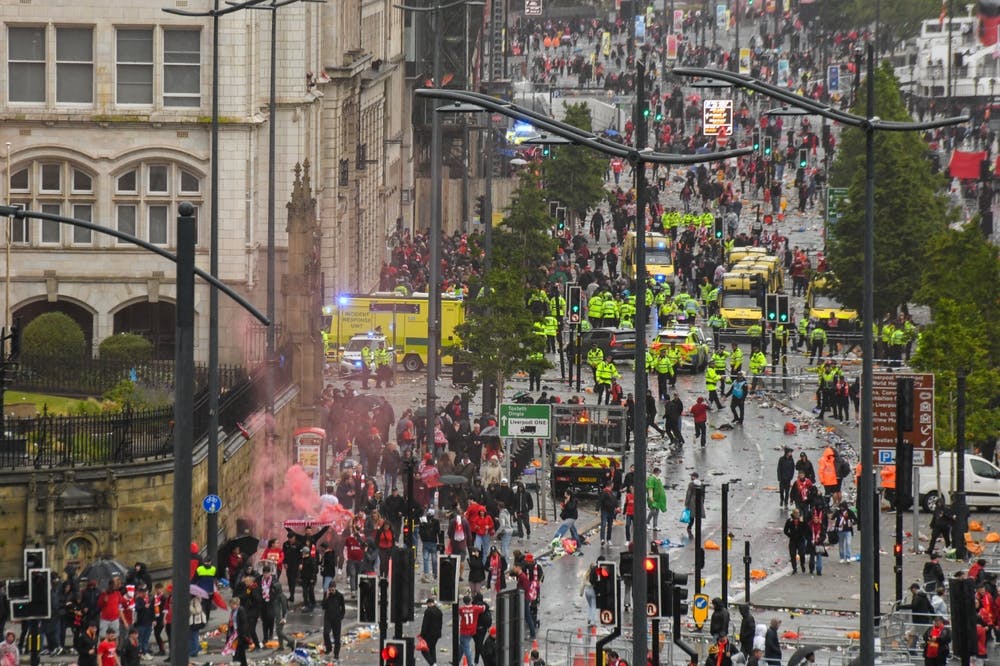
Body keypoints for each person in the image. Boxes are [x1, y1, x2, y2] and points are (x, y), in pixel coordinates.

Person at [457, 595, 485, 666]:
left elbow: (458, 611)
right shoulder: (475, 608)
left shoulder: (461, 609)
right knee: (462, 646)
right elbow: (483, 608)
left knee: (466, 648)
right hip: (472, 630)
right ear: (470, 601)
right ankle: (456, 660)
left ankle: (470, 664)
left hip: (464, 631)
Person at [321, 582, 345, 659]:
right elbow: (323, 606)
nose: (331, 591)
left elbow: (343, 608)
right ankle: (329, 648)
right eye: (330, 589)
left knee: (337, 637)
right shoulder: (327, 595)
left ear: (335, 588)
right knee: (326, 633)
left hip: (336, 619)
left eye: (332, 589)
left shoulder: (339, 596)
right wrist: (326, 597)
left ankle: (336, 653)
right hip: (328, 618)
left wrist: (341, 617)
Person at [225, 597, 251, 666]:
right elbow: (231, 622)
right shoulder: (233, 611)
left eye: (231, 605)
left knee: (240, 651)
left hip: (239, 634)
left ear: (236, 604)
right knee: (236, 650)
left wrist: (241, 634)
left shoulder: (241, 610)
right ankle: (239, 663)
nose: (230, 606)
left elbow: (243, 623)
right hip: (234, 633)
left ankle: (241, 663)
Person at [418, 597, 443, 666]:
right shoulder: (439, 611)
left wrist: (422, 635)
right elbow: (441, 623)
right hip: (437, 634)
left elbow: (425, 624)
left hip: (429, 634)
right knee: (432, 648)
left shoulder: (428, 611)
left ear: (428, 604)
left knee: (424, 650)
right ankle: (434, 663)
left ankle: (432, 663)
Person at [784, 509, 808, 574]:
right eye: (795, 513)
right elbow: (785, 530)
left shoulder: (802, 520)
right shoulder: (789, 521)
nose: (796, 514)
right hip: (793, 540)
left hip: (801, 540)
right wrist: (790, 535)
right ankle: (794, 568)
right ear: (793, 514)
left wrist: (803, 535)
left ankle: (802, 564)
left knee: (802, 553)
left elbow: (806, 528)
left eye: (798, 513)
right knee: (792, 554)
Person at [684, 473, 704, 538]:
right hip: (699, 501)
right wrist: (702, 502)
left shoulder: (691, 484)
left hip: (692, 501)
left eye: (692, 476)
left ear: (694, 477)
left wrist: (686, 502)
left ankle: (689, 527)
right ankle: (698, 528)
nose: (691, 477)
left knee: (692, 516)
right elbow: (703, 494)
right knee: (698, 516)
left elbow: (688, 494)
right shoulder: (701, 484)